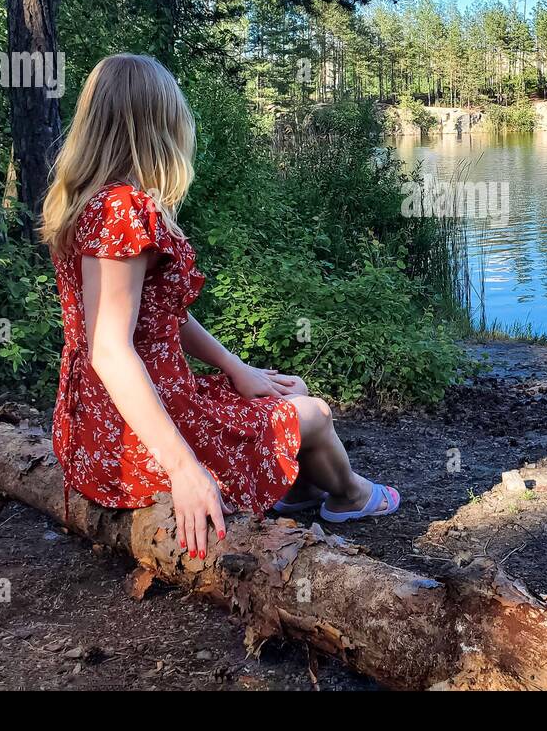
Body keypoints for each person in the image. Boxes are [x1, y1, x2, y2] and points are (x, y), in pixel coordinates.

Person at [39, 54, 399, 560]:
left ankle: (295, 491)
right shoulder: (123, 210)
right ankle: (350, 496)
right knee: (313, 411)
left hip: (97, 430)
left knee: (276, 392)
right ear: (158, 126)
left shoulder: (86, 203)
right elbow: (110, 350)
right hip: (131, 439)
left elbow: (158, 315)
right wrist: (185, 470)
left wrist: (235, 366)